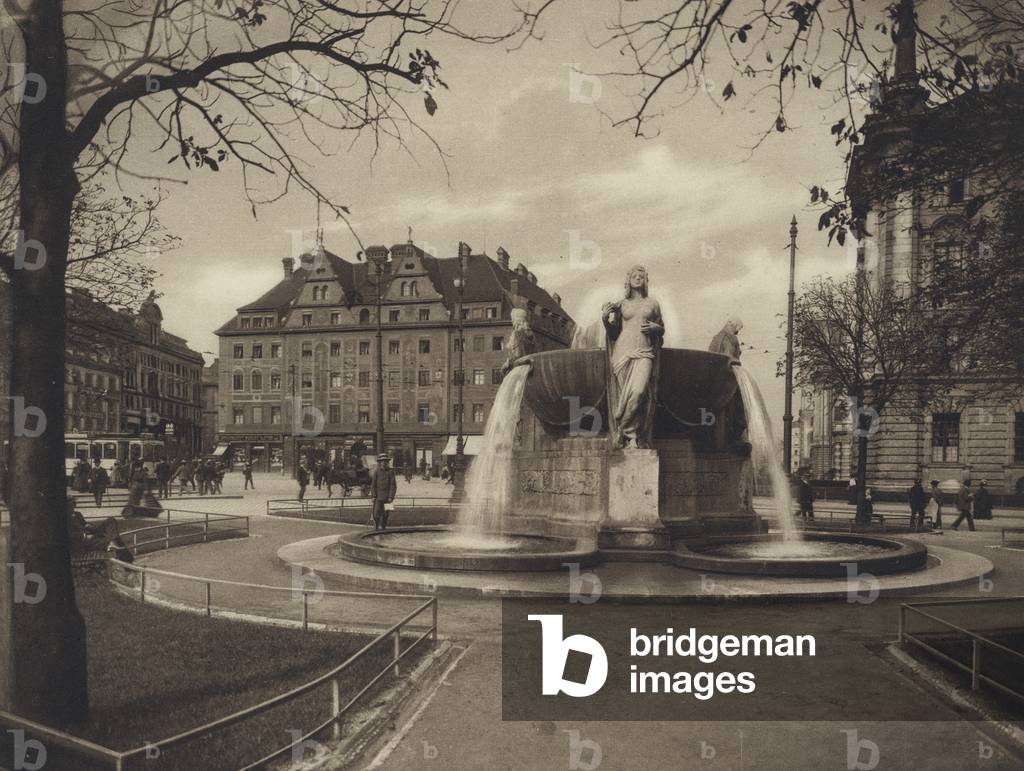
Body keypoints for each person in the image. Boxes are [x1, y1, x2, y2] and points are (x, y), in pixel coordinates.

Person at [601, 265, 665, 448]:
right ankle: (632, 437)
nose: (638, 279)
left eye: (641, 276)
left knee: (638, 392)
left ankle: (622, 429)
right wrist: (605, 320)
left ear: (645, 281)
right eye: (634, 276)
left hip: (645, 352)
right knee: (625, 395)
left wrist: (656, 328)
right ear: (628, 280)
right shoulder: (621, 305)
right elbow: (613, 334)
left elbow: (662, 328)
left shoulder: (653, 304)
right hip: (623, 353)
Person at [371, 454, 397, 529]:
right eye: (382, 461)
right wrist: (373, 496)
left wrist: (391, 497)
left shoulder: (391, 472)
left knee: (385, 514)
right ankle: (376, 527)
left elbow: (393, 485)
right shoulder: (376, 472)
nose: (383, 463)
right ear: (379, 463)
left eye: (385, 461)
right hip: (378, 497)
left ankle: (383, 528)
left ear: (387, 462)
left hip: (388, 498)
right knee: (376, 513)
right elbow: (373, 485)